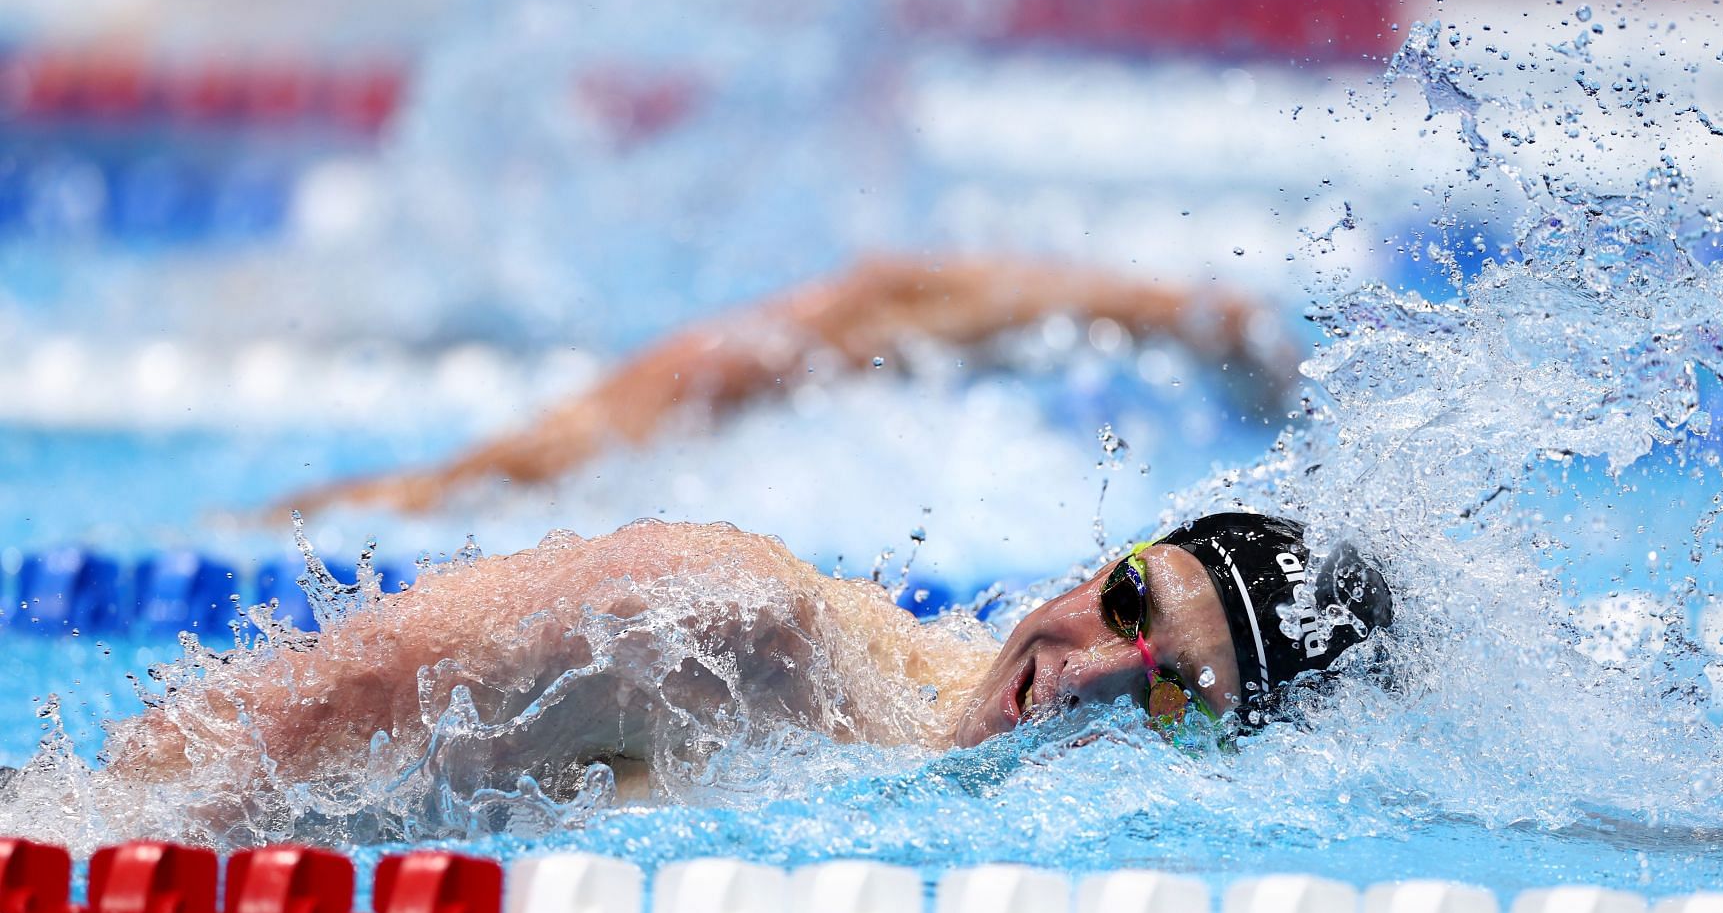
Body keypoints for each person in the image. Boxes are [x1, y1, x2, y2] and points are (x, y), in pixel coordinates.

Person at [86, 510, 1390, 827]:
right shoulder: (735, 635)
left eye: (1173, 695)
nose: (1089, 674)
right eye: (1122, 602)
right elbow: (309, 702)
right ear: (1111, 551)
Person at [281, 255, 1286, 515]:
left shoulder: (644, 415)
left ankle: (1192, 314)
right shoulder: (601, 435)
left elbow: (883, 291)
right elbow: (882, 292)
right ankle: (1192, 314)